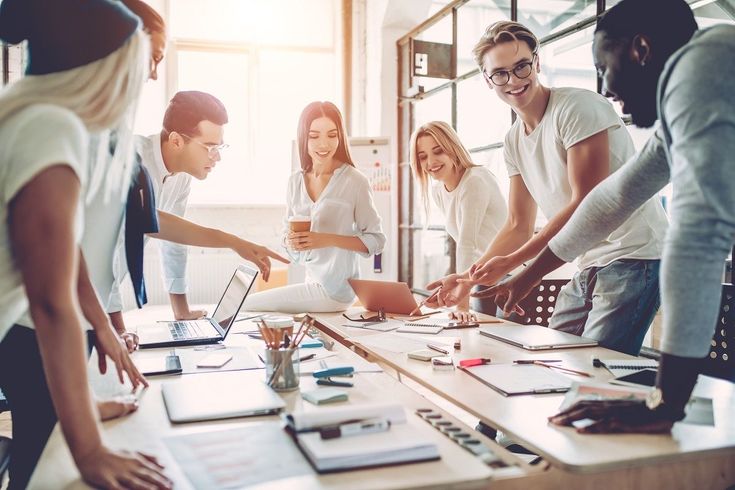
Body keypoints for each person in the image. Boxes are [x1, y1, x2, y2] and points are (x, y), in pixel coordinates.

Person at [485, 0, 735, 433]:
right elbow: (611, 200)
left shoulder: (702, 65)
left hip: (632, 258)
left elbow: (699, 234)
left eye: (603, 65)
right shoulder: (688, 92)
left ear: (640, 49)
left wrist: (665, 404)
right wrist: (527, 275)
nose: (602, 87)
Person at [0, 0, 171, 488]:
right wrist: (90, 450)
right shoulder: (52, 129)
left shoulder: (28, 115)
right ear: (106, 68)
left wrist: (101, 333)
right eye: (140, 65)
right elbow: (51, 303)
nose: (142, 82)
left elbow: (59, 252)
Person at [427, 21, 669, 355]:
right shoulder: (513, 141)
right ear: (488, 80)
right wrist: (469, 277)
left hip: (635, 255)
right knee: (550, 358)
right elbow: (517, 225)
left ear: (537, 63)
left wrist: (520, 267)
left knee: (592, 368)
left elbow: (586, 202)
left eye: (522, 66)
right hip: (589, 261)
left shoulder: (576, 108)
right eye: (500, 73)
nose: (513, 80)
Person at [106, 90, 289, 348]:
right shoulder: (131, 162)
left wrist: (181, 310)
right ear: (177, 141)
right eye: (210, 148)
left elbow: (173, 241)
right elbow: (108, 257)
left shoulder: (181, 176)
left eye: (220, 147)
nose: (217, 157)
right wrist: (117, 328)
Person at [243, 101, 386, 313]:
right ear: (303, 137)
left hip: (337, 291)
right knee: (254, 309)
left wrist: (325, 239)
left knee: (247, 305)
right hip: (312, 283)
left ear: (340, 137)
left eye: (331, 135)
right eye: (314, 136)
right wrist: (290, 241)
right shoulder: (295, 182)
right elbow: (288, 241)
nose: (324, 144)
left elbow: (376, 241)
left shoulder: (355, 181)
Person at [409, 121, 507, 320]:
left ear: (452, 149)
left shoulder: (474, 181)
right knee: (480, 339)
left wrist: (462, 307)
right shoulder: (439, 190)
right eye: (423, 157)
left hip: (512, 273)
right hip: (482, 275)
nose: (431, 162)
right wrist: (452, 291)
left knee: (504, 340)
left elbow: (466, 244)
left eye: (438, 151)